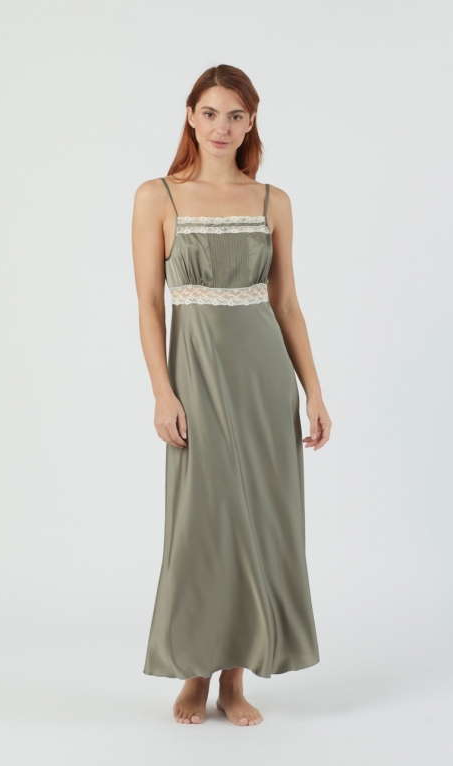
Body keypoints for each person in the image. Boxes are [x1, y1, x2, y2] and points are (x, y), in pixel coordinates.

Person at [132, 65, 331, 727]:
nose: (223, 127)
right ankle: (193, 673)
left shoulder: (273, 201)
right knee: (202, 525)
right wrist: (162, 392)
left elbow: (287, 305)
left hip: (264, 383)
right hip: (195, 379)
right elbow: (148, 305)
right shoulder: (157, 196)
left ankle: (235, 681)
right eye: (211, 113)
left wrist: (314, 392)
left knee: (258, 523)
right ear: (191, 115)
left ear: (251, 123)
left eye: (236, 115)